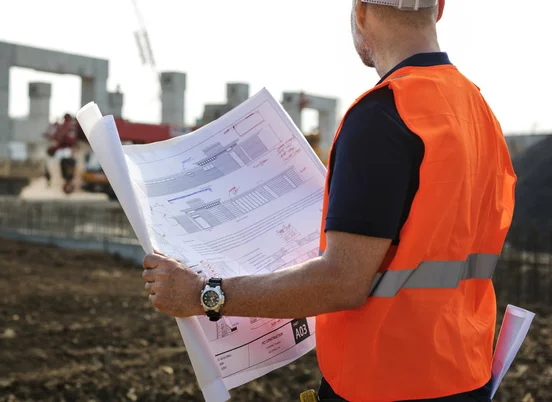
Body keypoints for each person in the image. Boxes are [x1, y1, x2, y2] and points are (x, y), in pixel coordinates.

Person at [141, 0, 517, 400]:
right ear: (439, 8)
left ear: (360, 11)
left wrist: (204, 293)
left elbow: (343, 281)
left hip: (385, 386)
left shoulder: (383, 116)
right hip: (466, 377)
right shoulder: (478, 110)